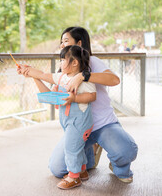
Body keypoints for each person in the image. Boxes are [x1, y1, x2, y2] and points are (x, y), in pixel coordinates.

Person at [21, 27, 138, 184]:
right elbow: (52, 97)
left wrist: (83, 76)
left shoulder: (92, 62)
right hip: (78, 129)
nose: (62, 45)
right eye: (61, 42)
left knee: (125, 151)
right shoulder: (63, 72)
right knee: (57, 168)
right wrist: (32, 75)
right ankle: (89, 156)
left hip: (103, 124)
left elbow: (114, 80)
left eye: (66, 41)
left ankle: (119, 166)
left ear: (79, 43)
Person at [18, 45, 96, 190]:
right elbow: (42, 74)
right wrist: (28, 70)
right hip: (68, 121)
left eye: (62, 60)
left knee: (71, 148)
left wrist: (75, 98)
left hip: (80, 122)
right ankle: (82, 170)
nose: (60, 63)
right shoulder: (61, 77)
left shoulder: (84, 79)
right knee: (76, 147)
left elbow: (92, 96)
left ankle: (74, 177)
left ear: (74, 63)